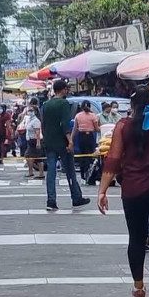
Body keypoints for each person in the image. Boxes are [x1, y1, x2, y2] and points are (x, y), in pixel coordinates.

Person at [98, 85, 149, 297]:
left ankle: (139, 288)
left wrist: (102, 190)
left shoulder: (123, 126)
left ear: (132, 104)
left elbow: (112, 159)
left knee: (136, 238)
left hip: (132, 190)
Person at [41, 79, 90, 211]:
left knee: (51, 172)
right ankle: (76, 197)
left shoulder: (46, 105)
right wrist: (70, 140)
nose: (67, 91)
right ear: (63, 89)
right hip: (62, 142)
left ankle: (51, 201)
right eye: (66, 89)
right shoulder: (64, 104)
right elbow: (65, 124)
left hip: (49, 142)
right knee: (70, 171)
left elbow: (43, 125)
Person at [72, 100, 100, 179]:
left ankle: (82, 175)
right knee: (90, 156)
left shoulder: (78, 115)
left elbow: (75, 129)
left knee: (82, 156)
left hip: (81, 136)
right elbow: (97, 128)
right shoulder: (93, 115)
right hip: (89, 136)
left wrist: (71, 139)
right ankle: (88, 175)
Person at [24, 99, 45, 179]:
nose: (29, 112)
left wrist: (38, 142)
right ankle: (31, 172)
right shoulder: (29, 119)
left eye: (31, 110)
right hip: (30, 141)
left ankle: (40, 173)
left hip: (35, 140)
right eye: (29, 110)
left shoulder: (36, 121)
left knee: (37, 158)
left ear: (35, 112)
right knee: (29, 156)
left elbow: (37, 132)